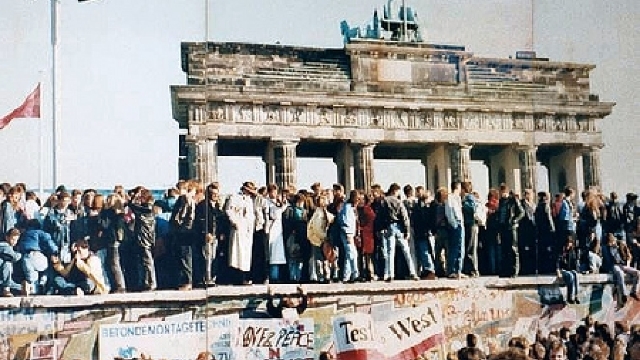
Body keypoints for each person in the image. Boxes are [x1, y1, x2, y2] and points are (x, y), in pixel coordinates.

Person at [380, 183, 419, 282]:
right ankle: (413, 272)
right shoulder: (398, 201)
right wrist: (407, 230)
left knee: (390, 252)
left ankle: (390, 274)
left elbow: (381, 216)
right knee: (406, 250)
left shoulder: (384, 201)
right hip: (399, 227)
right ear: (395, 191)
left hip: (389, 226)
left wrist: (381, 227)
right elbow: (404, 216)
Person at [194, 182, 228, 287]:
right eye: (213, 194)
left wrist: (221, 233)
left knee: (214, 257)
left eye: (217, 194)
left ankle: (212, 277)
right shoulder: (202, 206)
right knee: (206, 257)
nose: (216, 196)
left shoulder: (217, 207)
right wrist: (205, 232)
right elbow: (200, 221)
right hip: (207, 236)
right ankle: (206, 278)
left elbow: (220, 220)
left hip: (216, 235)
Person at [225, 181, 257, 285]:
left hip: (247, 229)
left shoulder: (249, 200)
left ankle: (245, 277)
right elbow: (229, 210)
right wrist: (234, 222)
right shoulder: (234, 197)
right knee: (237, 253)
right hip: (239, 227)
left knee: (246, 254)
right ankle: (237, 277)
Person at [17, 219, 59, 296]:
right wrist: (55, 250)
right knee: (47, 266)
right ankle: (43, 282)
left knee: (32, 278)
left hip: (26, 257)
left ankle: (31, 288)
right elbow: (48, 241)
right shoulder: (39, 232)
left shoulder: (24, 234)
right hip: (36, 255)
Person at [170, 180, 199, 290]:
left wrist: (184, 226)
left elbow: (188, 216)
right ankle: (185, 280)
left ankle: (187, 281)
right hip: (182, 231)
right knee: (183, 256)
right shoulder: (183, 199)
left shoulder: (187, 199)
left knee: (185, 256)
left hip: (185, 232)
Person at [129, 188, 157, 292]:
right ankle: (146, 282)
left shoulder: (145, 210)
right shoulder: (149, 209)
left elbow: (131, 205)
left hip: (145, 239)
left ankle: (151, 282)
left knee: (148, 262)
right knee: (144, 262)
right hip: (147, 238)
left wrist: (134, 196)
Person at [496, 185, 523, 278]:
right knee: (504, 249)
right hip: (503, 227)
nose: (500, 194)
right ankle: (505, 270)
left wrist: (515, 220)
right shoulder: (501, 202)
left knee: (513, 249)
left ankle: (514, 270)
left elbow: (522, 212)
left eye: (501, 192)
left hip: (511, 227)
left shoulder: (513, 200)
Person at [338, 190, 360, 283]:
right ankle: (355, 274)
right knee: (352, 254)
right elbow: (345, 222)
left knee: (349, 255)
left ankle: (346, 276)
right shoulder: (347, 208)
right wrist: (348, 234)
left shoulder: (349, 208)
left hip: (350, 233)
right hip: (348, 234)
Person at [445, 181, 465, 279]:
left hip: (460, 223)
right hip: (456, 225)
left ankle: (458, 270)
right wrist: (455, 225)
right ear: (457, 187)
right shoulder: (450, 198)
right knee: (454, 248)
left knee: (460, 248)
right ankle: (452, 270)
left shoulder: (458, 198)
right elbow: (449, 212)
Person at [557, 237, 580, 304]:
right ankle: (570, 297)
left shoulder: (572, 251)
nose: (568, 246)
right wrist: (558, 271)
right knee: (571, 276)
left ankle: (576, 296)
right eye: (568, 244)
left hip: (570, 269)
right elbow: (558, 262)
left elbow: (574, 262)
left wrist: (577, 269)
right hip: (563, 270)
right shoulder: (561, 251)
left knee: (576, 275)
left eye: (570, 244)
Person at [0, 228, 22, 297]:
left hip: (2, 277)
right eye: (13, 239)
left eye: (16, 240)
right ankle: (6, 290)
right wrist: (20, 254)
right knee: (7, 264)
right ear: (7, 237)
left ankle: (22, 288)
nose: (14, 242)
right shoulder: (4, 246)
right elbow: (15, 257)